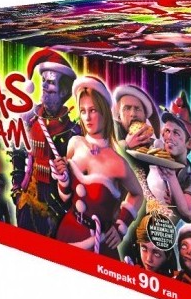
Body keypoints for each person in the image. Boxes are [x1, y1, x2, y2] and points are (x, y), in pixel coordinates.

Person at [52, 76, 142, 259]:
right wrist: (62, 178)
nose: (87, 117)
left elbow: (138, 194)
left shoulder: (117, 162)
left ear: (104, 111)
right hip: (67, 231)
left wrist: (121, 226)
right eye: (83, 111)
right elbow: (66, 196)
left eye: (92, 110)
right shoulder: (74, 143)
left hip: (100, 245)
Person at [16, 49, 80, 236]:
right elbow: (18, 150)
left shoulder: (74, 132)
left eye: (50, 82)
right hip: (26, 201)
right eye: (43, 80)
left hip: (54, 211)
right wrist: (16, 188)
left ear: (64, 91)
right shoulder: (29, 118)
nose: (43, 85)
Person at [113, 84, 161, 151]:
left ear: (145, 115)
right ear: (119, 116)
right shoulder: (108, 138)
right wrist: (126, 145)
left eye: (137, 109)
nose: (133, 114)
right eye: (127, 108)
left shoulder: (155, 147)